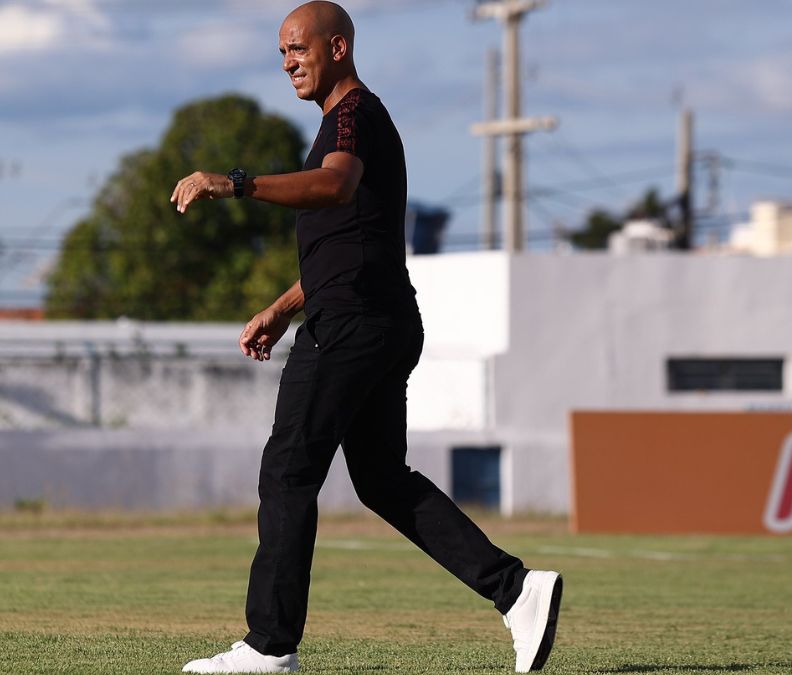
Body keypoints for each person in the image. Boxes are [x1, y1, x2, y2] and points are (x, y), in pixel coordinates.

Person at [169, 2, 562, 672]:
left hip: (352, 325)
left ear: (339, 47)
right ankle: (516, 589)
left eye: (298, 47)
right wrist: (286, 305)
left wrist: (234, 183)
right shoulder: (339, 124)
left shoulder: (354, 115)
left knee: (289, 468)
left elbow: (335, 187)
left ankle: (269, 646)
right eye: (281, 52)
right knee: (381, 478)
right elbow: (352, 240)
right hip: (374, 317)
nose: (289, 61)